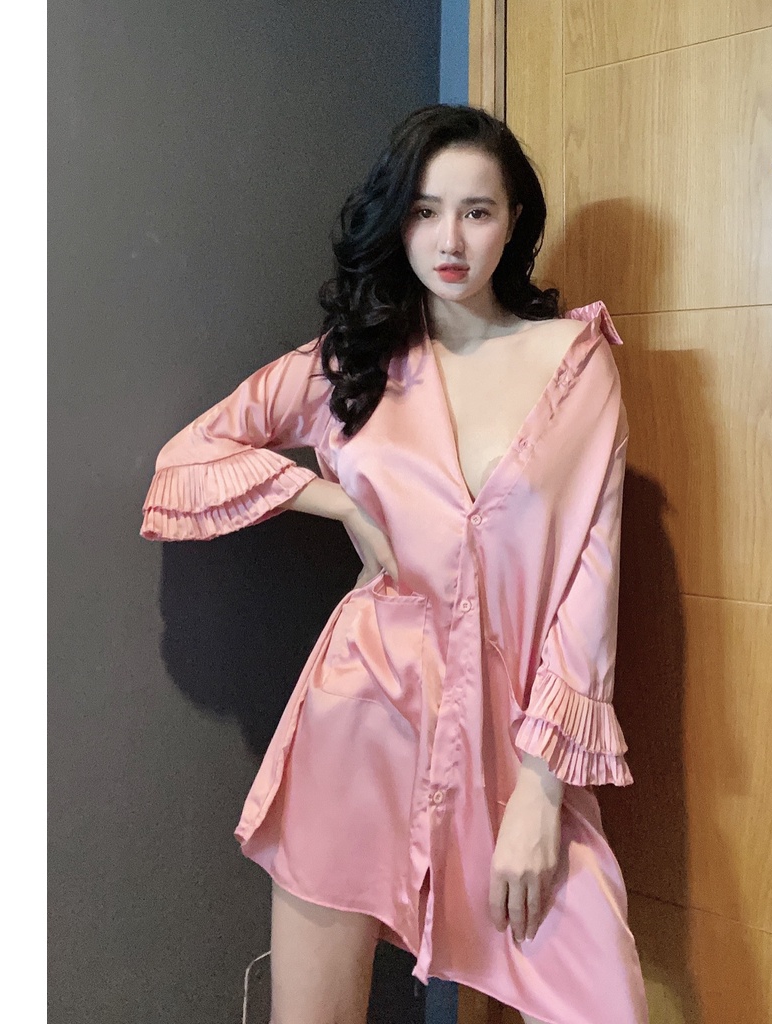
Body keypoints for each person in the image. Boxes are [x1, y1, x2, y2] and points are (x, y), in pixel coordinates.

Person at [140, 104, 648, 1024]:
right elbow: (189, 457)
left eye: (476, 212)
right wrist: (332, 500)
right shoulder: (353, 366)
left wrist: (542, 794)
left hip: (514, 750)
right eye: (424, 210)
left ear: (514, 221)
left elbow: (591, 579)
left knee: (605, 1000)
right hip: (360, 722)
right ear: (397, 219)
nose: (449, 240)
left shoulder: (575, 366)